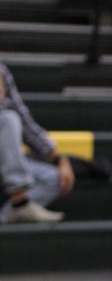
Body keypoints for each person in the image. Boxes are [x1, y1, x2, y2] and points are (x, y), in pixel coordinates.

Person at [0, 59, 74, 223]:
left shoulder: (1, 71)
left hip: (4, 160)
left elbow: (25, 122)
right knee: (8, 119)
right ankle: (19, 200)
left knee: (55, 179)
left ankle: (11, 212)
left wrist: (58, 158)